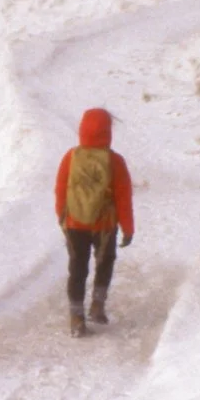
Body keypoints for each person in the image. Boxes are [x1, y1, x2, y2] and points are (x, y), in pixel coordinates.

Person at [54, 107, 134, 337]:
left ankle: (76, 318)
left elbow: (60, 190)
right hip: (104, 225)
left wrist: (62, 217)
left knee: (77, 268)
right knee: (105, 262)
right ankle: (97, 306)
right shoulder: (115, 161)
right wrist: (128, 228)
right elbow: (123, 198)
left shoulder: (71, 157)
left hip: (74, 223)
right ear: (108, 132)